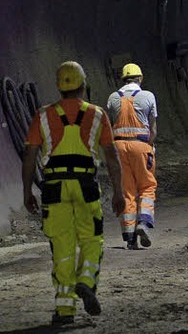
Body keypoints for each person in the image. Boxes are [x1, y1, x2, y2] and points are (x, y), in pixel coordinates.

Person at [22, 60, 125, 327]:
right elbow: (112, 157)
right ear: (83, 84)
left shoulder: (42, 115)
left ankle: (64, 310)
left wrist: (27, 191)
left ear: (59, 86)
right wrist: (119, 192)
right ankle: (86, 281)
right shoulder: (97, 114)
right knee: (92, 239)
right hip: (85, 184)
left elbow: (29, 156)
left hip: (54, 187)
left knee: (62, 247)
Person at [106, 62, 158, 249]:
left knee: (126, 190)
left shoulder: (113, 98)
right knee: (147, 186)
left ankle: (129, 238)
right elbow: (152, 129)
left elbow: (112, 122)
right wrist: (150, 147)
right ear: (140, 78)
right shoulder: (147, 96)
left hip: (118, 147)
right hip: (140, 144)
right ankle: (143, 223)